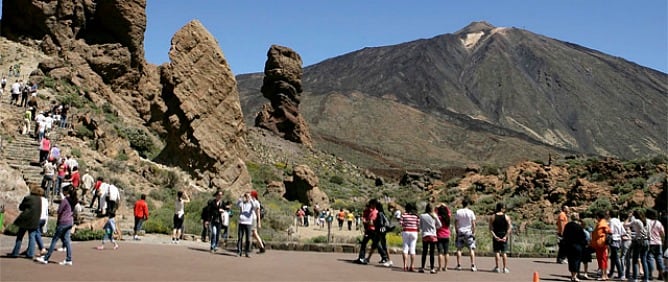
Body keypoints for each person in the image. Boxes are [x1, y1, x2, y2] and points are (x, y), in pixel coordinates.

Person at [35, 188, 75, 265]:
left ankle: (46, 258)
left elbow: (59, 212)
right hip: (70, 221)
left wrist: (57, 223)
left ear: (66, 192)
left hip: (63, 221)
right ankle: (69, 259)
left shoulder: (65, 201)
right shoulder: (73, 201)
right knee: (67, 241)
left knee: (54, 240)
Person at [8, 185, 42, 258]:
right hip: (35, 220)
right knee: (32, 237)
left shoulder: (28, 198)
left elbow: (21, 207)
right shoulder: (39, 199)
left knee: (20, 236)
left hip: (26, 219)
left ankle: (15, 252)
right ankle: (30, 253)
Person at [624, 209, 649, 282]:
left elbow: (625, 224)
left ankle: (635, 278)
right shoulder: (646, 220)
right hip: (646, 240)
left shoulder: (636, 221)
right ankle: (646, 278)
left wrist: (628, 217)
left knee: (635, 260)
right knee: (644, 259)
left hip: (638, 241)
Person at [562, 213, 587, 282]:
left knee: (571, 260)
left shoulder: (567, 225)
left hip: (569, 245)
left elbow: (564, 235)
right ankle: (574, 276)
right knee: (576, 260)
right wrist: (584, 243)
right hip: (577, 246)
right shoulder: (578, 227)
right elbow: (583, 237)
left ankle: (572, 275)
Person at [455, 197, 477, 272]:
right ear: (468, 204)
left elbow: (456, 223)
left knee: (459, 249)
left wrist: (457, 231)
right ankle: (473, 265)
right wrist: (473, 232)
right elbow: (473, 223)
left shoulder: (458, 212)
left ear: (462, 204)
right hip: (468, 232)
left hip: (460, 231)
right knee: (471, 249)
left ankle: (459, 265)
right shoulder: (471, 212)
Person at [489, 202, 512, 273]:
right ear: (502, 208)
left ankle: (497, 267)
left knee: (497, 252)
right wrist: (505, 236)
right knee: (504, 252)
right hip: (503, 235)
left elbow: (490, 228)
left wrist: (495, 236)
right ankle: (505, 268)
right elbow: (510, 227)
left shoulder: (492, 217)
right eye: (504, 208)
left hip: (496, 235)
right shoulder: (506, 217)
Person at [419, 203, 442, 274]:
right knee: (432, 253)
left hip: (425, 235)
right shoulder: (434, 215)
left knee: (424, 252)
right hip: (433, 235)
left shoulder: (422, 216)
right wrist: (435, 228)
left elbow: (420, 226)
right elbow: (440, 225)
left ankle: (422, 267)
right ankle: (432, 268)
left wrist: (424, 229)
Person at [355, 199, 379, 264]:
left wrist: (365, 221)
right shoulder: (372, 211)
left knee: (372, 244)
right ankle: (361, 258)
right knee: (370, 244)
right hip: (370, 230)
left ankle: (361, 258)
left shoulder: (373, 212)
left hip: (371, 230)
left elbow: (371, 222)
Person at [646, 209, 665, 281]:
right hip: (658, 243)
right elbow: (662, 234)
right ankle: (661, 274)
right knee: (659, 258)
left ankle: (650, 274)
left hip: (651, 243)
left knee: (650, 258)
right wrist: (662, 241)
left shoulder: (648, 223)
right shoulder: (659, 223)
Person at [590, 210, 610, 280]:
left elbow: (608, 231)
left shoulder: (602, 224)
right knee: (603, 259)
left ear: (598, 217)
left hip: (601, 243)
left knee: (602, 259)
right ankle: (604, 275)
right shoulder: (603, 223)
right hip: (600, 243)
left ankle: (603, 275)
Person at [607, 209, 626, 280]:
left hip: (613, 239)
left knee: (615, 257)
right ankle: (611, 272)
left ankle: (621, 274)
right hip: (619, 239)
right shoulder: (618, 220)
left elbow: (611, 230)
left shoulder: (611, 221)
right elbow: (623, 231)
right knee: (613, 257)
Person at [236, 192, 257, 257]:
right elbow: (237, 204)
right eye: (246, 196)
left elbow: (254, 206)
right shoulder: (242, 203)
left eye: (248, 196)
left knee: (248, 239)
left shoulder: (251, 204)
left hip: (248, 223)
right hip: (241, 222)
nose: (247, 198)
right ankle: (239, 252)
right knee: (240, 237)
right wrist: (240, 197)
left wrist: (250, 199)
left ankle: (247, 252)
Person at [400, 203, 419, 272]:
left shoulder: (404, 215)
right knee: (412, 249)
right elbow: (418, 224)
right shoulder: (416, 216)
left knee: (405, 248)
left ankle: (405, 265)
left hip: (406, 231)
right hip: (414, 232)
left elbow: (401, 223)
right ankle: (412, 265)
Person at [436, 203, 451, 272]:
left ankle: (439, 267)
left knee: (440, 252)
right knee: (446, 252)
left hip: (439, 235)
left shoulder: (438, 217)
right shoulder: (448, 216)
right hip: (446, 235)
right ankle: (446, 267)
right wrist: (446, 206)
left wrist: (436, 207)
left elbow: (433, 213)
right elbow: (449, 212)